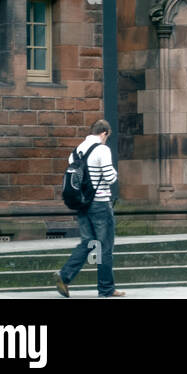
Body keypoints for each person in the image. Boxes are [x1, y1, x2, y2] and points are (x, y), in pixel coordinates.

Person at [56, 120, 124, 297]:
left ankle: (65, 275)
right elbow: (110, 177)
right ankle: (106, 289)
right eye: (107, 136)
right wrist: (114, 173)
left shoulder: (77, 150)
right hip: (100, 203)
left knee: (88, 242)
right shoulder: (102, 149)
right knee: (105, 246)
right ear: (105, 133)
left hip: (83, 203)